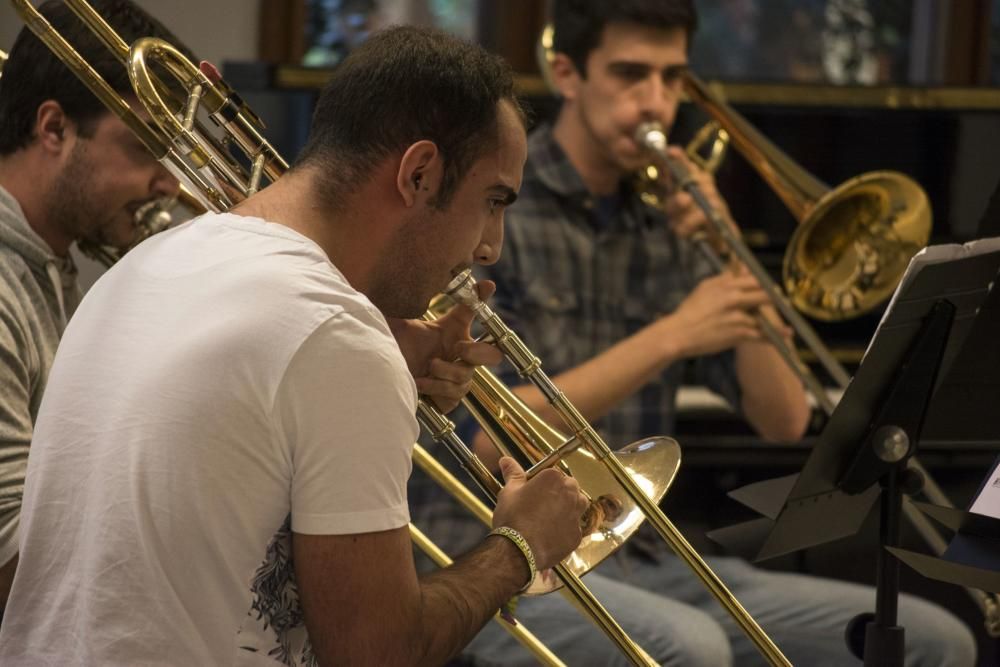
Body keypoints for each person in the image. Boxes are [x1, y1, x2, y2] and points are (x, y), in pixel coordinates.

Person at [0, 24, 590, 667]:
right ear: (420, 173)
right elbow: (379, 655)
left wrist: (378, 362)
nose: (490, 246)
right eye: (493, 200)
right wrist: (521, 546)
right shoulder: (336, 341)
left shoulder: (153, 260)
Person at [408, 1, 979, 665]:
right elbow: (486, 438)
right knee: (691, 650)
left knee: (940, 640)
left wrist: (727, 243)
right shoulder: (502, 211)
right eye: (630, 74)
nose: (654, 102)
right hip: (509, 553)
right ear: (568, 74)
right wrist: (674, 335)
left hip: (650, 552)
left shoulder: (669, 225)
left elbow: (784, 417)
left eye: (672, 78)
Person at [0, 0, 188, 613]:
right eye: (143, 149)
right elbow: (17, 570)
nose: (170, 186)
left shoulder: (51, 265)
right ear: (52, 129)